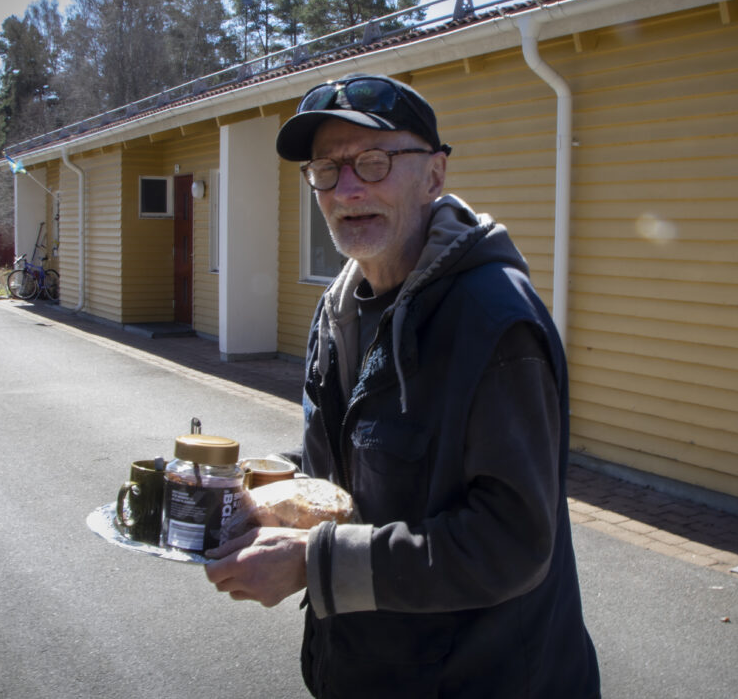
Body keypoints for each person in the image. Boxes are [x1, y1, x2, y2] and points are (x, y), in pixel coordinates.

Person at [205, 73, 600, 698]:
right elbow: (339, 475)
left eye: (374, 161)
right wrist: (231, 492)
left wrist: (313, 564)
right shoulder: (339, 311)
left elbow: (513, 542)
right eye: (327, 170)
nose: (348, 188)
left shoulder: (494, 322)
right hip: (364, 671)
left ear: (434, 177)